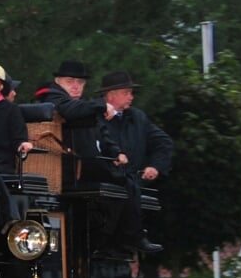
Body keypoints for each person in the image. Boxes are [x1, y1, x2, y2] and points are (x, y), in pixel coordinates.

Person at [69, 70, 173, 257]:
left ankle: (127, 239)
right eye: (126, 92)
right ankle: (123, 237)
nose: (131, 97)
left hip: (130, 178)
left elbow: (163, 142)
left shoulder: (138, 118)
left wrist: (155, 166)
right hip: (100, 175)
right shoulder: (93, 116)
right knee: (121, 189)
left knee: (130, 187)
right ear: (111, 95)